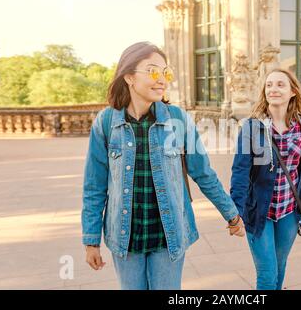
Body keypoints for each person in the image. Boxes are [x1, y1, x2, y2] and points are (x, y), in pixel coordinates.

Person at [81, 41, 245, 290]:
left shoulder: (178, 119)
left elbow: (203, 173)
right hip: (125, 237)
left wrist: (231, 214)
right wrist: (91, 241)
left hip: (168, 234)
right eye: (153, 71)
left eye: (165, 72)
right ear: (129, 77)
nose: (162, 80)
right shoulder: (105, 123)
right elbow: (94, 186)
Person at [230, 68, 301, 290]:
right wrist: (235, 212)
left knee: (279, 267)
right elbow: (240, 172)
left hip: (290, 210)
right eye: (269, 85)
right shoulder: (252, 127)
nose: (273, 89)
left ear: (293, 92)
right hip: (259, 211)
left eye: (280, 84)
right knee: (267, 275)